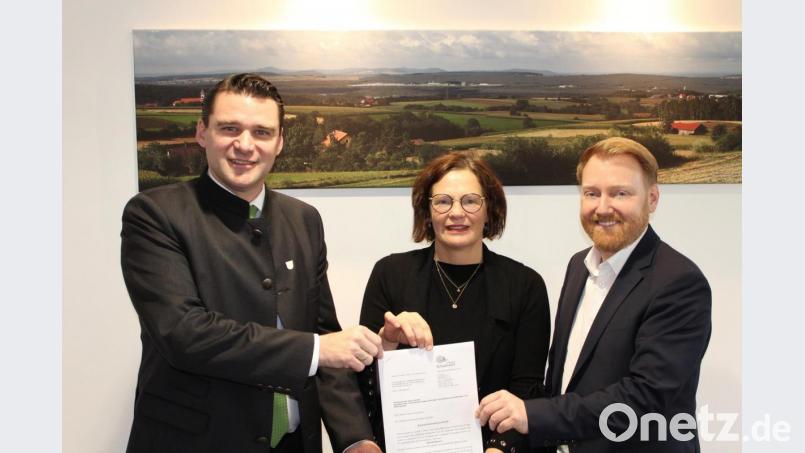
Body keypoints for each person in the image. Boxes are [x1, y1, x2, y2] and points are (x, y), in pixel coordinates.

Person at [121, 73, 382, 453]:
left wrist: (356, 438)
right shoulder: (154, 214)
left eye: (261, 132)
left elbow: (326, 337)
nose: (245, 145)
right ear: (202, 132)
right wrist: (315, 350)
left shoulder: (304, 219)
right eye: (230, 128)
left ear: (279, 142)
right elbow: (185, 334)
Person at [476, 137, 712, 452]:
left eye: (620, 193)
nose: (603, 207)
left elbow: (644, 399)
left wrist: (531, 414)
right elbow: (564, 378)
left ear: (652, 199)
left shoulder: (679, 282)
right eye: (591, 193)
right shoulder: (579, 266)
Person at [359, 152, 551, 453]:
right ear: (427, 211)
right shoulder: (390, 274)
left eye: (471, 201)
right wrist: (388, 342)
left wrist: (498, 449)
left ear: (490, 210)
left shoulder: (525, 285)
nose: (457, 213)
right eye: (443, 201)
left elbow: (528, 389)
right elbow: (363, 383)